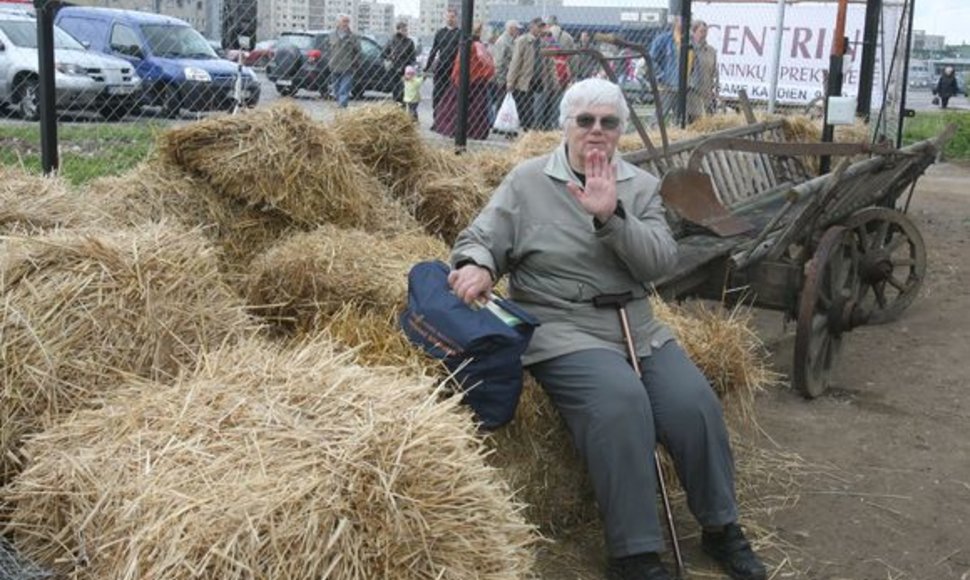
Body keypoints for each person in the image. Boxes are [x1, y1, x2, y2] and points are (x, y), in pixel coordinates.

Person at [447, 78, 767, 580]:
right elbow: (483, 238)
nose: (597, 131)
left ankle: (721, 527)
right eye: (585, 121)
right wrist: (478, 265)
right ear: (565, 126)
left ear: (620, 131)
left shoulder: (638, 186)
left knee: (693, 404)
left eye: (609, 122)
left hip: (638, 326)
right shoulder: (527, 181)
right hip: (562, 326)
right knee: (621, 403)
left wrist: (611, 216)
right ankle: (635, 554)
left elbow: (659, 263)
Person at [434, 22, 495, 140]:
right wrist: (488, 73)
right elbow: (486, 62)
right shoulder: (477, 45)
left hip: (463, 80)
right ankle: (472, 132)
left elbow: (459, 63)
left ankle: (454, 130)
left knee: (455, 106)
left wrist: (455, 77)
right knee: (475, 109)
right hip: (476, 81)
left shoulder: (465, 43)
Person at [507, 17, 556, 131]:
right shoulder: (522, 41)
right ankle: (525, 128)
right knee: (524, 106)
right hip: (525, 80)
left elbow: (550, 64)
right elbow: (516, 62)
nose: (541, 29)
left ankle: (530, 128)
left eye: (542, 26)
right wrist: (510, 81)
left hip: (539, 80)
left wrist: (554, 81)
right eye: (539, 26)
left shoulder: (544, 43)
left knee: (536, 106)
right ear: (531, 26)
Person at [425, 7, 461, 131]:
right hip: (440, 69)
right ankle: (436, 121)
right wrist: (427, 67)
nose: (450, 19)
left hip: (454, 70)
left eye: (452, 16)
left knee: (451, 97)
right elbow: (434, 51)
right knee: (437, 96)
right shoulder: (440, 33)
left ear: (456, 18)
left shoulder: (460, 33)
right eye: (448, 16)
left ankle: (448, 124)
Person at [649, 16, 684, 121]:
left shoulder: (689, 41)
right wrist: (661, 75)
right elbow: (651, 60)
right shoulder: (663, 39)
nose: (687, 23)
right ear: (676, 23)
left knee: (680, 117)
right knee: (659, 115)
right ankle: (652, 134)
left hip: (683, 87)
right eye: (683, 21)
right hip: (667, 86)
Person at [687, 20, 719, 122]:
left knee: (708, 119)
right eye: (701, 31)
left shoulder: (711, 51)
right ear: (694, 31)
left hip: (707, 91)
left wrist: (715, 89)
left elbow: (714, 71)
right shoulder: (688, 49)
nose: (704, 34)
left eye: (706, 31)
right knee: (695, 119)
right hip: (693, 91)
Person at [491, 20, 520, 124]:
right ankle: (498, 123)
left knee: (506, 101)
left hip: (509, 77)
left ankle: (504, 123)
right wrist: (500, 78)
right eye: (516, 29)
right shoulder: (503, 41)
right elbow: (499, 61)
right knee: (501, 101)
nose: (518, 31)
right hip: (503, 77)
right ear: (511, 29)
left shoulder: (512, 41)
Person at [329, 15, 361, 108]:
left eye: (347, 21)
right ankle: (339, 102)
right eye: (344, 21)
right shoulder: (331, 35)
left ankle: (342, 106)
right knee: (336, 88)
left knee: (344, 88)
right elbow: (327, 49)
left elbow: (358, 51)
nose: (346, 24)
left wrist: (354, 62)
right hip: (334, 65)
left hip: (347, 67)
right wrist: (329, 60)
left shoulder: (353, 36)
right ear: (338, 23)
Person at [382, 21, 417, 107]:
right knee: (395, 89)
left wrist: (411, 67)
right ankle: (397, 105)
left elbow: (412, 57)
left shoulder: (409, 42)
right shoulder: (391, 41)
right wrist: (390, 57)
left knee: (403, 89)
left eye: (406, 30)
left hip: (405, 70)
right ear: (398, 30)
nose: (405, 32)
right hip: (393, 68)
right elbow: (383, 53)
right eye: (403, 30)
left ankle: (402, 105)